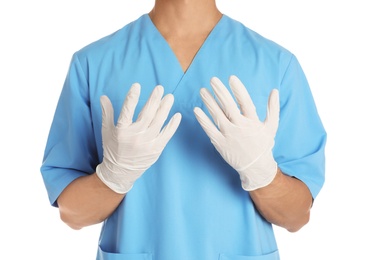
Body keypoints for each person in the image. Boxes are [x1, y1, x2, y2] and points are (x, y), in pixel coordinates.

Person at [40, 0, 327, 259]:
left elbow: (296, 216)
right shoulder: (94, 63)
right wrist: (113, 176)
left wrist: (261, 172)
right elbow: (72, 213)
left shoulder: (276, 65)